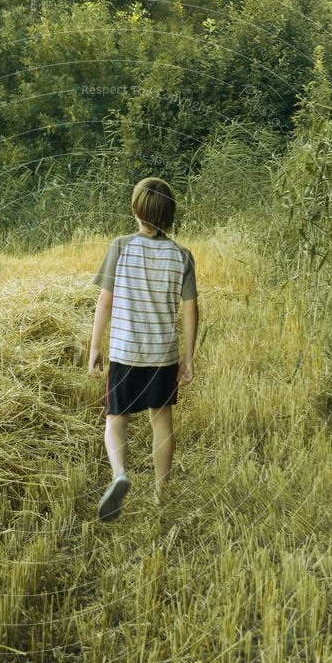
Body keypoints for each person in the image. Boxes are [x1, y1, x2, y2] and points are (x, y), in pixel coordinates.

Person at [88, 176, 199, 521]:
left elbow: (104, 302)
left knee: (116, 419)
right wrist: (189, 358)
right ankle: (160, 494)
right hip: (162, 355)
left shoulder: (120, 247)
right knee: (161, 419)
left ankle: (120, 473)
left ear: (135, 210)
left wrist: (94, 346)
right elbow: (192, 308)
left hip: (125, 351)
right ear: (170, 216)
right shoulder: (182, 256)